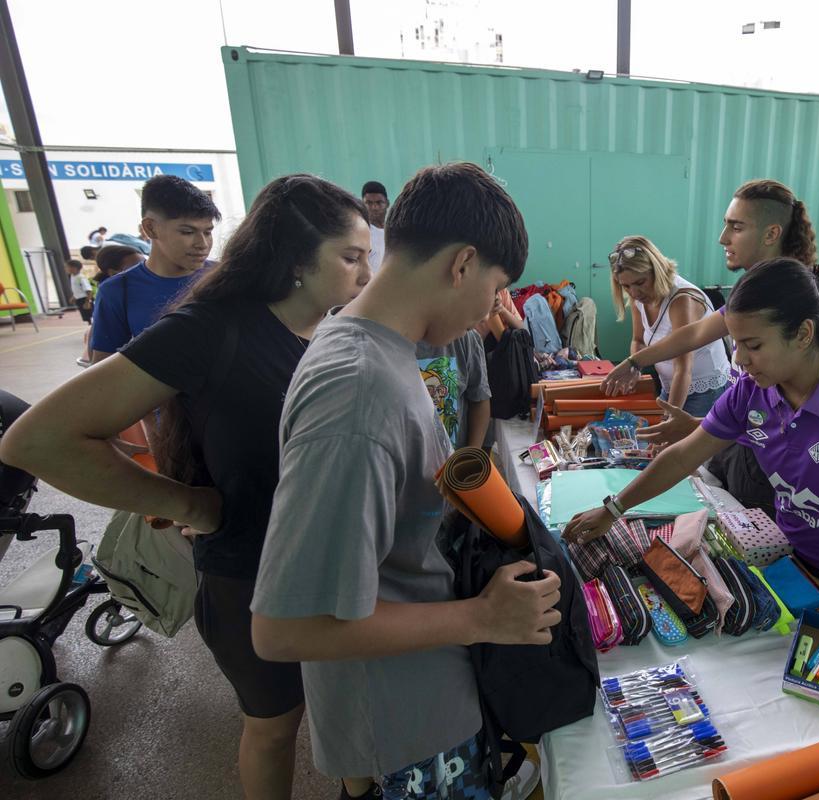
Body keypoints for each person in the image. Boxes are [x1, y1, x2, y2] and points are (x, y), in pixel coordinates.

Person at [1, 173, 373, 799]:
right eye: (351, 257)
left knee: (347, 710)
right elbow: (35, 440)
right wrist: (182, 500)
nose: (365, 275)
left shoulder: (328, 330)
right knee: (275, 727)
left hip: (330, 568)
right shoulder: (211, 328)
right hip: (249, 577)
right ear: (296, 262)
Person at [249, 162, 555, 800]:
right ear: (462, 263)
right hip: (403, 734)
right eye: (497, 290)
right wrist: (481, 616)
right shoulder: (359, 391)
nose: (491, 313)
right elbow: (284, 627)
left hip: (418, 705)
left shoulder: (379, 348)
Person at [564, 259, 819, 711]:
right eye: (735, 344)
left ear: (803, 334)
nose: (739, 360)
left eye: (753, 345)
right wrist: (614, 508)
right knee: (786, 696)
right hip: (788, 561)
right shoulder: (752, 392)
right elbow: (685, 454)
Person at [601, 179, 817, 444]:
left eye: (736, 227)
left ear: (771, 234)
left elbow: (789, 418)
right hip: (748, 429)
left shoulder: (794, 295)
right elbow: (694, 335)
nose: (722, 237)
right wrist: (635, 362)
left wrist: (696, 426)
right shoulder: (755, 288)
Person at [89, 175, 221, 362]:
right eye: (187, 232)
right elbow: (102, 369)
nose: (203, 244)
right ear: (150, 228)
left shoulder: (224, 276)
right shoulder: (118, 291)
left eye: (208, 232)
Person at [609, 235, 731, 416]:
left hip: (705, 391)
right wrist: (635, 368)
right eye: (625, 286)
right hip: (670, 384)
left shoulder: (681, 300)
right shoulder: (639, 297)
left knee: (678, 440)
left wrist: (670, 420)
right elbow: (638, 340)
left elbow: (683, 369)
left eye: (640, 282)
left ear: (656, 271)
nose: (634, 292)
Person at [416, 329, 492, 448]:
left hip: (454, 458)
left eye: (440, 390)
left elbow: (479, 398)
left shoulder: (465, 337)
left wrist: (472, 452)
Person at [362, 180, 388, 274]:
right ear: (362, 205)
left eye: (379, 202)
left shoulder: (396, 232)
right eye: (368, 203)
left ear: (387, 204)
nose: (374, 207)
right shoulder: (361, 234)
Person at [66, 259, 93, 324]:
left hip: (85, 299)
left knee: (90, 316)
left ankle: (93, 330)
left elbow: (88, 290)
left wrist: (87, 302)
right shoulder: (72, 276)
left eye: (68, 267)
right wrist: (74, 296)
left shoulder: (81, 278)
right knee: (86, 317)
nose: (66, 269)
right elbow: (78, 289)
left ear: (74, 268)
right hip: (79, 299)